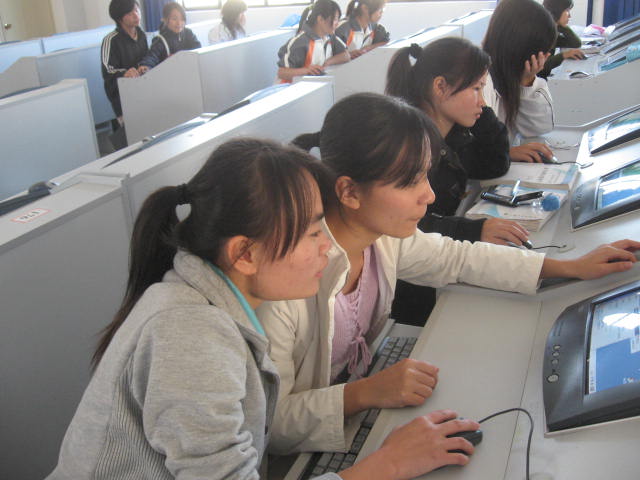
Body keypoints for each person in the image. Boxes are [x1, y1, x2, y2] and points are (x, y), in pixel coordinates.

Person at [46, 137, 483, 479]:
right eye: (312, 233)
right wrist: (389, 464)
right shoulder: (190, 335)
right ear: (245, 254)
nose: (327, 248)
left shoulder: (209, 303)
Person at [257, 92, 640, 455]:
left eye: (426, 176)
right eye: (410, 182)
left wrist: (568, 267)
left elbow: (457, 258)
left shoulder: (380, 239)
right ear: (349, 192)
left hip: (360, 398)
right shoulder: (285, 285)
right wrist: (364, 393)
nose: (429, 195)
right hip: (307, 446)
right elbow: (270, 423)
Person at [386, 36, 527, 324]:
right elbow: (404, 226)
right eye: (476, 88)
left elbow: (493, 165)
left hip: (436, 261)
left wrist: (480, 112)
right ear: (440, 87)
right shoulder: (407, 147)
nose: (482, 100)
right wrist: (473, 231)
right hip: (409, 284)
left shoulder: (452, 134)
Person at [482, 0, 558, 163]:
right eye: (543, 53)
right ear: (524, 50)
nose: (545, 59)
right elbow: (471, 150)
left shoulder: (509, 78)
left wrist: (526, 82)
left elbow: (538, 127)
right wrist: (507, 153)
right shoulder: (481, 81)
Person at [277, 0, 350, 83]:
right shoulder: (300, 42)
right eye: (335, 19)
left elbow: (346, 55)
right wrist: (306, 70)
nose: (337, 23)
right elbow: (282, 73)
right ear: (320, 19)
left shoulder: (329, 37)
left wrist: (328, 62)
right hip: (290, 87)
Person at [101, 0, 148, 123]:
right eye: (130, 13)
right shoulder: (111, 40)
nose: (136, 15)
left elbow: (146, 58)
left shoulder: (142, 35)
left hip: (143, 92)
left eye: (136, 10)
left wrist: (145, 66)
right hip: (122, 97)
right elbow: (108, 70)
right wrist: (125, 73)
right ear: (119, 17)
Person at [138, 2, 201, 73]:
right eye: (174, 19)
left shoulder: (188, 33)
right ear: (165, 19)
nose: (179, 23)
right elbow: (152, 56)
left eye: (182, 19)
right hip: (169, 74)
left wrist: (179, 57)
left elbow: (198, 48)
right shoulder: (160, 40)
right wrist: (145, 65)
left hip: (187, 70)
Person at [540, 0, 584, 79]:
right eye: (567, 11)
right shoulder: (543, 33)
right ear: (557, 11)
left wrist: (560, 25)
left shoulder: (551, 31)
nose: (569, 16)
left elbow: (576, 43)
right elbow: (540, 66)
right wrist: (564, 55)